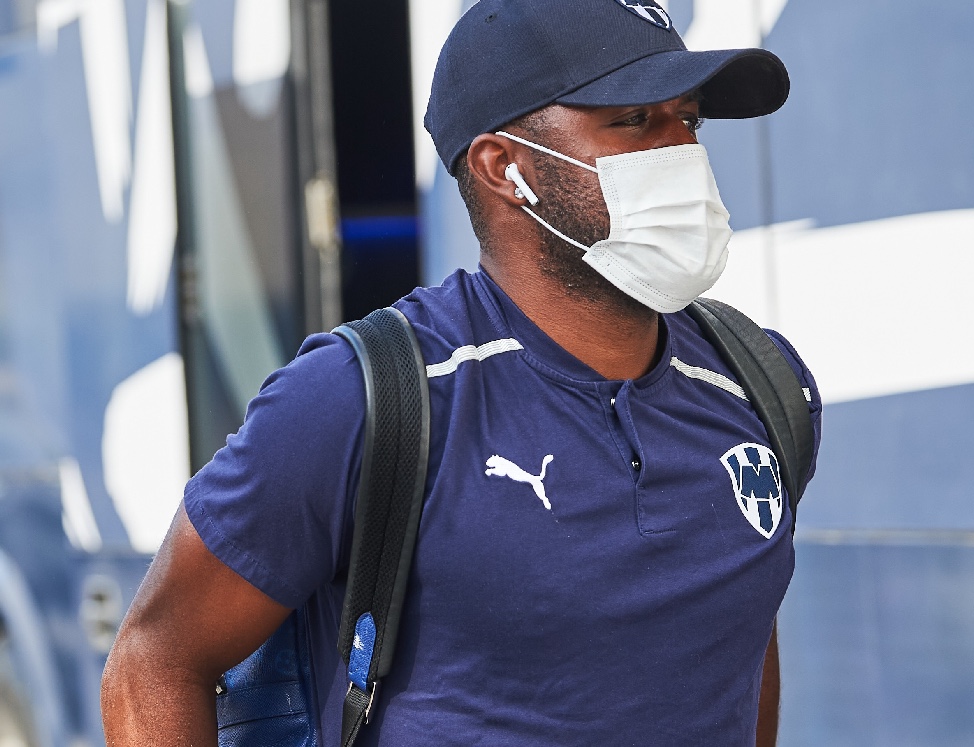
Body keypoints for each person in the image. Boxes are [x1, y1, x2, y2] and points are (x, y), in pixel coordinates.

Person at [100, 0, 822, 744]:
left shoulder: (760, 385)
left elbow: (735, 645)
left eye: (689, 119)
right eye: (636, 120)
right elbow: (155, 658)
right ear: (504, 167)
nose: (682, 152)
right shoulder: (358, 399)